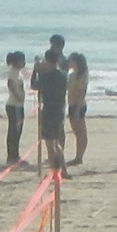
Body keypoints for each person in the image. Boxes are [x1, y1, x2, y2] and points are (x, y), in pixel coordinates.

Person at [31, 41, 71, 170]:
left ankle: (55, 170)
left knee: (50, 144)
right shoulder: (63, 76)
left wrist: (35, 70)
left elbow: (34, 85)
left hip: (48, 112)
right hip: (59, 110)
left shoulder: (46, 77)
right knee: (57, 142)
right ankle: (63, 169)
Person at [1, 51, 28, 169]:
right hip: (13, 105)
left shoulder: (18, 73)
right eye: (22, 60)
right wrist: (18, 96)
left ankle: (15, 155)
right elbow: (11, 85)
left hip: (19, 105)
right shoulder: (12, 73)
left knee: (18, 131)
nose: (24, 62)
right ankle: (11, 156)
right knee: (13, 132)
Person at [66, 51, 90, 166]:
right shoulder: (72, 75)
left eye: (71, 61)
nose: (69, 62)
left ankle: (79, 157)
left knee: (81, 134)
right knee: (76, 132)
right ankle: (78, 156)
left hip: (78, 105)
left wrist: (78, 109)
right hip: (72, 104)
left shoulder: (82, 76)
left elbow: (82, 94)